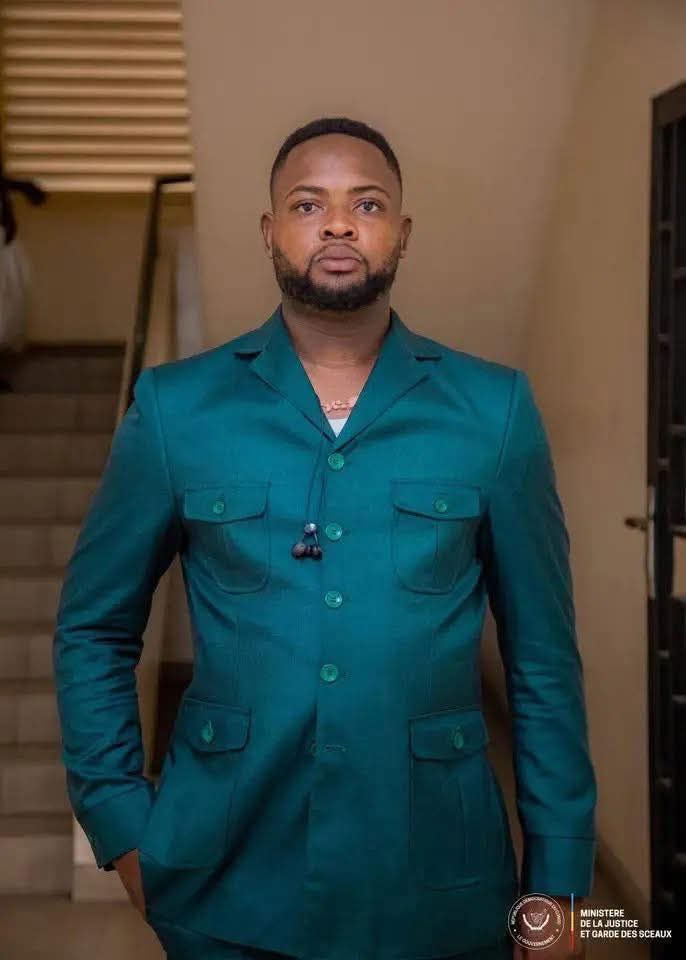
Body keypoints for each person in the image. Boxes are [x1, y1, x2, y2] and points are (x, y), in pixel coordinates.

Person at [53, 116, 596, 960]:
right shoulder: (175, 409)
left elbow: (543, 660)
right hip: (222, 878)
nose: (338, 224)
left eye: (366, 204)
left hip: (436, 881)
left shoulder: (494, 411)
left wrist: (557, 882)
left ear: (401, 233)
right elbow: (94, 628)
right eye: (308, 205)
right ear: (269, 231)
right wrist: (123, 826)